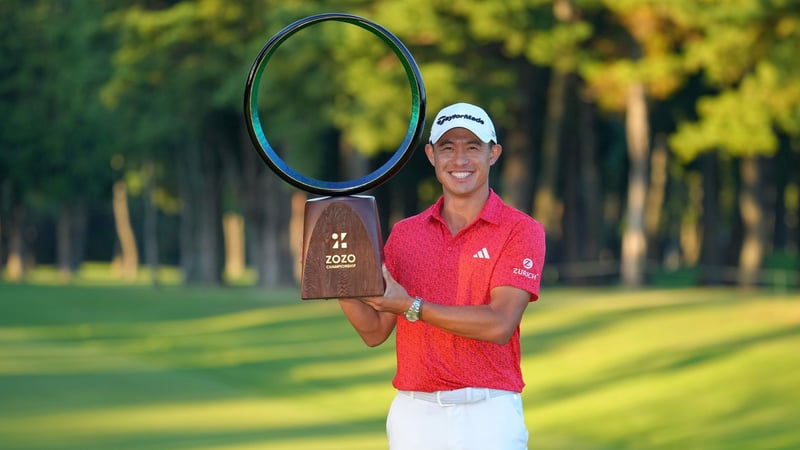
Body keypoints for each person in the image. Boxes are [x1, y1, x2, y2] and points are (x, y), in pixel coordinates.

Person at [338, 102, 546, 450]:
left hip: (489, 411)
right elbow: (375, 331)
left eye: (472, 148)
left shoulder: (520, 230)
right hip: (414, 414)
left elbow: (499, 324)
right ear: (431, 155)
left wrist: (411, 305)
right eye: (448, 148)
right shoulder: (405, 234)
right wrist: (340, 282)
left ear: (493, 154)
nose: (460, 160)